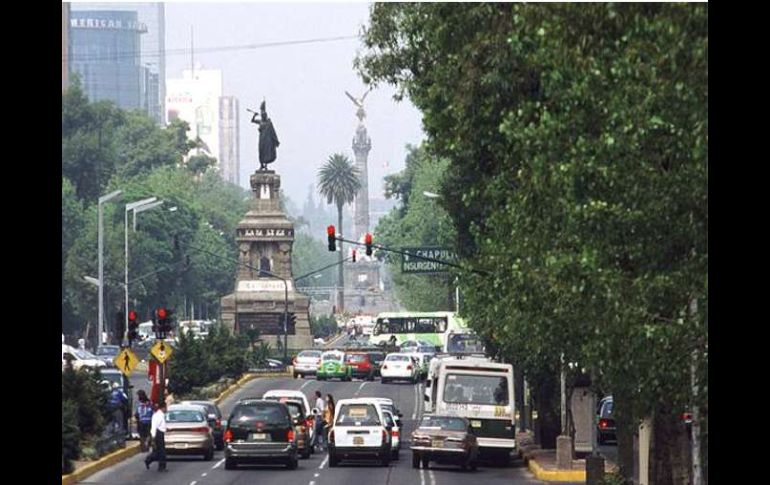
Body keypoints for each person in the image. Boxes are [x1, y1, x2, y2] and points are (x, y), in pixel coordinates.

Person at [251, 100, 280, 170]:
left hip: (267, 140)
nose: (263, 116)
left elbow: (273, 132)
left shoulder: (269, 123)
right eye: (262, 115)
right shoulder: (260, 121)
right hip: (261, 140)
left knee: (267, 152)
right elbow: (252, 121)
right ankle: (261, 165)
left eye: (264, 115)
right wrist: (254, 115)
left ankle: (266, 165)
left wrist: (275, 140)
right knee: (261, 151)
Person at [144, 402, 167, 471]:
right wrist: (153, 437)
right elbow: (154, 426)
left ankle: (149, 460)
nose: (166, 409)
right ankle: (161, 466)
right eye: (166, 407)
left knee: (158, 451)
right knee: (161, 451)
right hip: (158, 434)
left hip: (160, 433)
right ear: (163, 408)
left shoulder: (160, 415)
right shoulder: (158, 415)